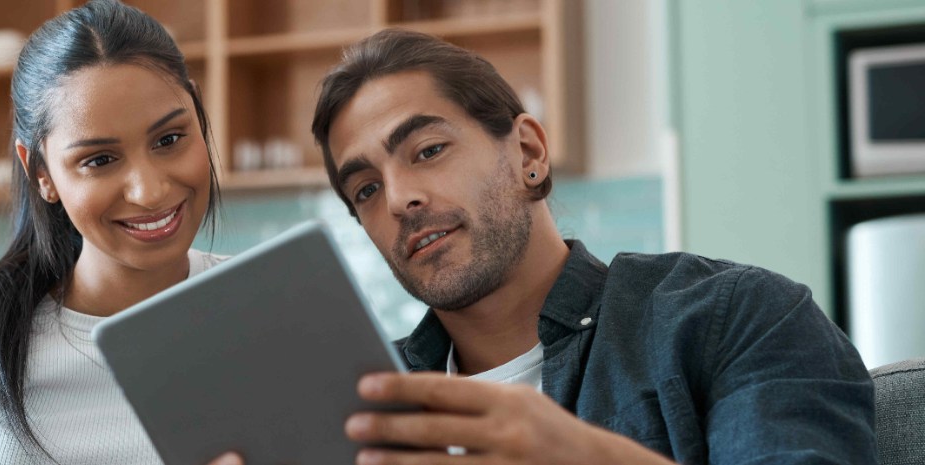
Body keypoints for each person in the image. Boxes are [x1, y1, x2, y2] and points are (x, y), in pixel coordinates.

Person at [213, 29, 874, 465]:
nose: (399, 199)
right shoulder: (356, 406)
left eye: (429, 149)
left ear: (527, 151)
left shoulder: (735, 317)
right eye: (363, 189)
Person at [0, 1, 224, 463]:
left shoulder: (275, 307)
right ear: (41, 173)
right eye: (99, 160)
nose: (150, 191)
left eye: (169, 139)